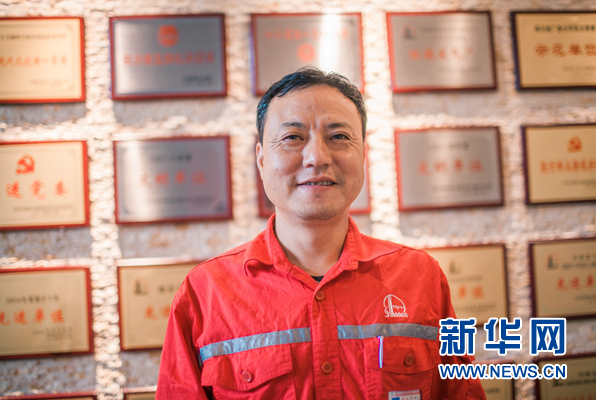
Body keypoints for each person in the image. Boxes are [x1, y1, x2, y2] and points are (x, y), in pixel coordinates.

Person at [156, 67, 486, 399]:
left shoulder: (419, 277)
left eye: (338, 137)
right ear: (261, 159)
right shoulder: (205, 293)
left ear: (363, 154)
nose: (317, 157)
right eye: (292, 137)